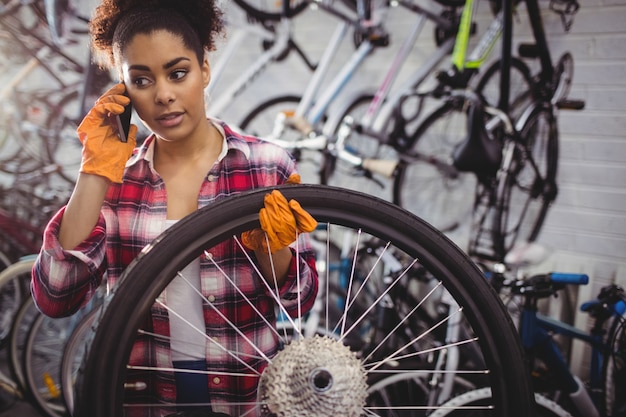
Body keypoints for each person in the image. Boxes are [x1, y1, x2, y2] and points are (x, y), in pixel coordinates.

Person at [30, 0, 319, 415]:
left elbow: (301, 301)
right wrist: (94, 170)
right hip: (143, 398)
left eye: (177, 73)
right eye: (142, 80)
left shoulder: (265, 165)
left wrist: (270, 248)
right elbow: (56, 297)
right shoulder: (115, 180)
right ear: (123, 90)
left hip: (246, 397)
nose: (164, 95)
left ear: (204, 69)